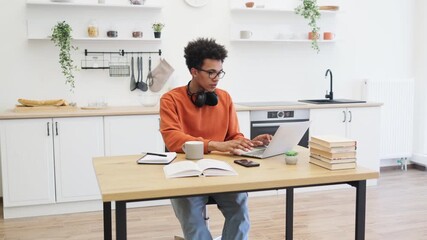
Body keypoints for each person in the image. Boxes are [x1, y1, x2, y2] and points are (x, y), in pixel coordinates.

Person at [159, 38, 271, 240]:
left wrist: (250, 142)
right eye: (211, 72)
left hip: (221, 171)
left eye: (220, 72)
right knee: (193, 220)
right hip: (185, 173)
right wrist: (215, 144)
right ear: (194, 71)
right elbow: (172, 138)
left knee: (240, 211)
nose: (217, 78)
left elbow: (234, 136)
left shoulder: (224, 98)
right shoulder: (170, 100)